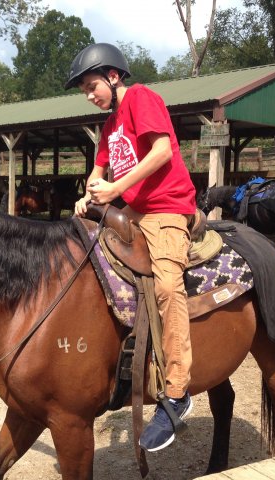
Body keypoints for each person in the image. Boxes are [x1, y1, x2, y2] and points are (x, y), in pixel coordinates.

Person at [65, 43, 197, 452]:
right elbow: (99, 169)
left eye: (92, 86)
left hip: (167, 210)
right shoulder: (108, 126)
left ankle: (176, 392)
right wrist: (89, 194)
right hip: (134, 212)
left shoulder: (143, 98)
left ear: (114, 76)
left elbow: (161, 151)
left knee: (167, 287)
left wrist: (115, 190)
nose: (90, 95)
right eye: (85, 90)